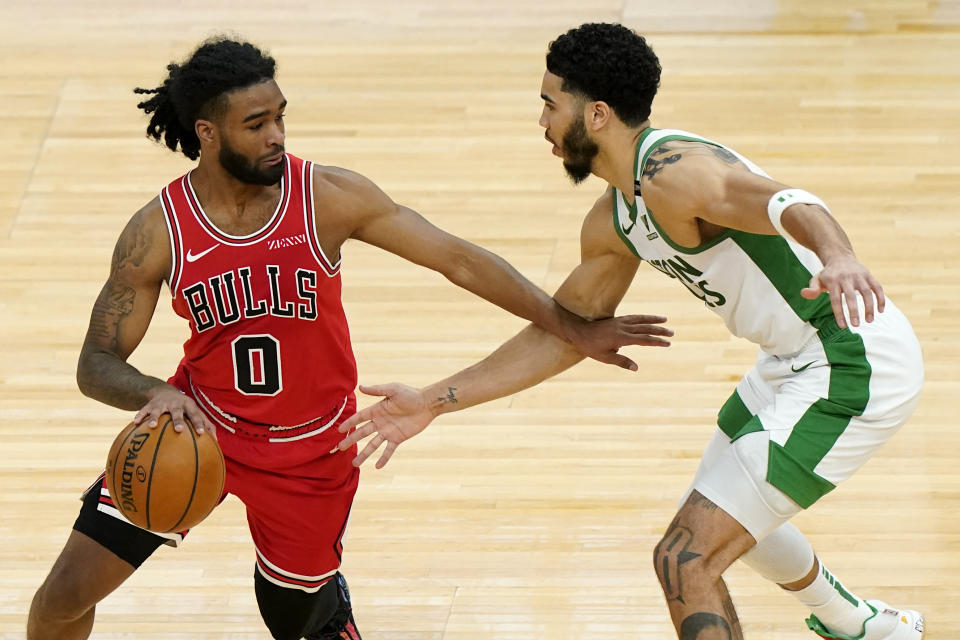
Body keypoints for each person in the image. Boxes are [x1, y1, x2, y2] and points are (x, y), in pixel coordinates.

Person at [25, 37, 673, 640]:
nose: (277, 134)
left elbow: (458, 259)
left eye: (279, 116)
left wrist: (573, 329)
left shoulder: (328, 197)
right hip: (200, 428)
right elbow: (95, 364)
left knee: (299, 622)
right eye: (257, 125)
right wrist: (156, 392)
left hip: (310, 454)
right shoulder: (158, 230)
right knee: (60, 601)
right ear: (207, 132)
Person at [336, 22, 926, 640]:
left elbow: (790, 200)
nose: (540, 121)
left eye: (547, 103)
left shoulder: (676, 172)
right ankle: (864, 625)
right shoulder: (616, 217)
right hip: (788, 360)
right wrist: (431, 401)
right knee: (729, 519)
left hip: (849, 361)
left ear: (594, 115)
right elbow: (562, 332)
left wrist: (839, 256)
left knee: (683, 557)